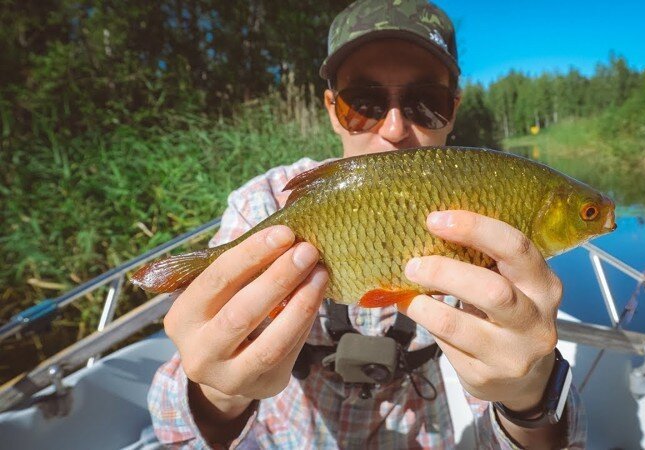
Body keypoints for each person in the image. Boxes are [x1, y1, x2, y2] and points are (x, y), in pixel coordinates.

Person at [147, 1, 586, 448]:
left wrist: (528, 396)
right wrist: (219, 391)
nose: (394, 128)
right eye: (365, 103)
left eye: (425, 103)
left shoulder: (487, 211)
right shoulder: (261, 204)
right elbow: (173, 427)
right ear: (332, 107)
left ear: (452, 109)